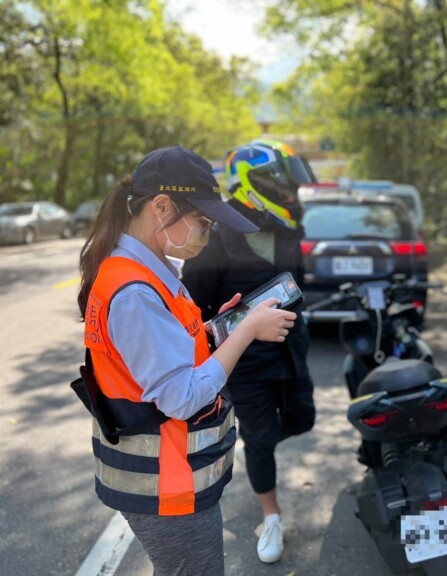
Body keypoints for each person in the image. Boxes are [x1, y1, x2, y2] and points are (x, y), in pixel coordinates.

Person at [77, 145, 297, 576]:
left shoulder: (147, 267)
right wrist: (249, 331)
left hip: (170, 478)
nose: (206, 232)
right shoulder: (136, 289)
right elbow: (181, 397)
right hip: (165, 487)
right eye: (202, 221)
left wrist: (221, 328)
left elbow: (168, 351)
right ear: (161, 207)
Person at [182, 141, 316, 564]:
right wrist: (238, 328)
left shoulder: (290, 228)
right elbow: (196, 314)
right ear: (252, 184)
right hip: (247, 368)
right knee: (261, 440)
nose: (292, 192)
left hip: (292, 354)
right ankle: (271, 516)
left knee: (302, 420)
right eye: (283, 182)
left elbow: (298, 286)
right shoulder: (216, 239)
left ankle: (257, 445)